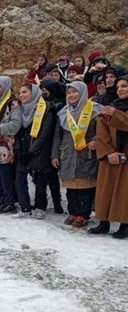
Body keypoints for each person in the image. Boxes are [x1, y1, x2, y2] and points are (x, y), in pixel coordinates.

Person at [51, 81, 101, 228]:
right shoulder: (63, 113)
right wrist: (55, 155)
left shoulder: (95, 110)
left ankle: (83, 215)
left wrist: (96, 141)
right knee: (71, 187)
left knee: (85, 186)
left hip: (86, 154)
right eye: (69, 92)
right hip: (67, 154)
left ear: (83, 93)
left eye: (75, 92)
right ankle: (72, 212)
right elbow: (57, 136)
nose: (71, 95)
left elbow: (103, 132)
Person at [89, 75, 128, 238]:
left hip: (126, 156)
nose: (120, 89)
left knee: (124, 194)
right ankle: (103, 222)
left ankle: (125, 224)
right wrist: (109, 151)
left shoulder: (113, 110)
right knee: (105, 191)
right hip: (110, 156)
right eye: (118, 87)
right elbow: (101, 132)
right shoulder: (110, 107)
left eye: (125, 86)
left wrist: (116, 114)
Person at [13, 84, 57, 219]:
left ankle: (40, 207)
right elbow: (18, 131)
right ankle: (25, 207)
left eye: (25, 92)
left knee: (40, 178)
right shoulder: (20, 109)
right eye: (20, 92)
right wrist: (19, 149)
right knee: (20, 178)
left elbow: (45, 133)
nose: (21, 95)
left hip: (39, 149)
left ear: (34, 93)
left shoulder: (46, 108)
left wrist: (32, 151)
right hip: (23, 148)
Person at [0, 76, 22, 214]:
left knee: (4, 175)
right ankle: (2, 201)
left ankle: (9, 202)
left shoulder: (12, 103)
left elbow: (15, 124)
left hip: (5, 145)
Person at [39, 78, 66, 214]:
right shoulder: (45, 104)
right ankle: (45, 201)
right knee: (44, 175)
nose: (44, 93)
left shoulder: (59, 105)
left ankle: (57, 202)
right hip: (45, 143)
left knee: (52, 175)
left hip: (53, 142)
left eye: (46, 90)